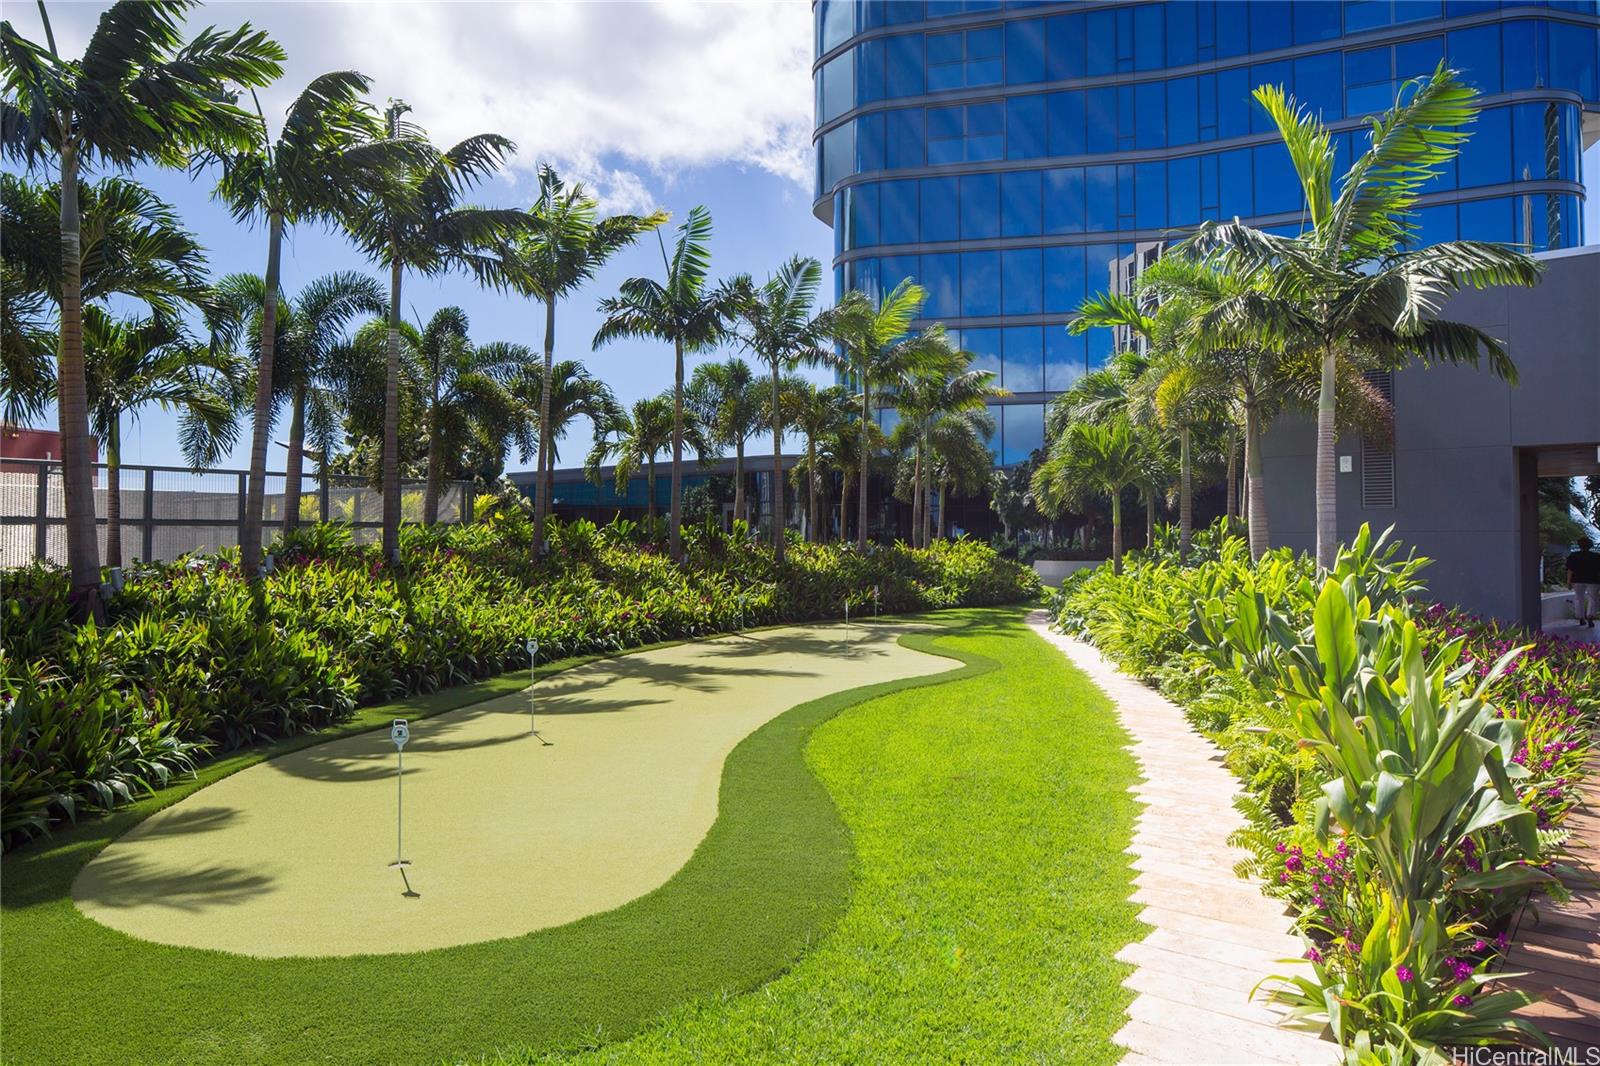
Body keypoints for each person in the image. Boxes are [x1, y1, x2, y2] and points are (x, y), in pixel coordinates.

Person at [1567, 536, 1600, 628]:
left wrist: (1568, 581)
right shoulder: (1596, 556)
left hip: (1577, 580)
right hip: (1593, 580)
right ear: (1590, 545)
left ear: (1579, 545)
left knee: (1578, 598)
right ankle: (1590, 616)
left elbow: (1570, 569)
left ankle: (1581, 617)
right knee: (1593, 598)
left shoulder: (1574, 555)